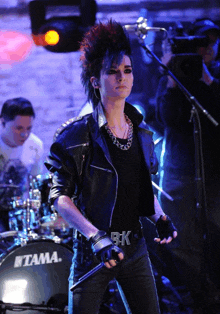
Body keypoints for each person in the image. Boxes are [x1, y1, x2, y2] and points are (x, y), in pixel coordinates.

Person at [45, 20, 177, 314]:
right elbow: (60, 198)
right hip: (94, 252)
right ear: (95, 80)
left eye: (127, 71)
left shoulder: (142, 135)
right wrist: (96, 237)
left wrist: (159, 216)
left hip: (135, 248)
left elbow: (141, 188)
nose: (122, 78)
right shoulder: (76, 136)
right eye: (112, 72)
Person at [155, 18, 220, 313]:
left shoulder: (215, 77)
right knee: (183, 240)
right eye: (199, 45)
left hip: (215, 171)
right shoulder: (169, 79)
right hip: (180, 172)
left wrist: (205, 77)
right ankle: (199, 296)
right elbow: (169, 119)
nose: (205, 50)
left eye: (208, 44)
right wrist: (173, 75)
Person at [0, 97, 44, 233]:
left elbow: (35, 183)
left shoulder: (35, 145)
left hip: (20, 211)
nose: (25, 134)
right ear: (2, 122)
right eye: (18, 128)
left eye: (29, 128)